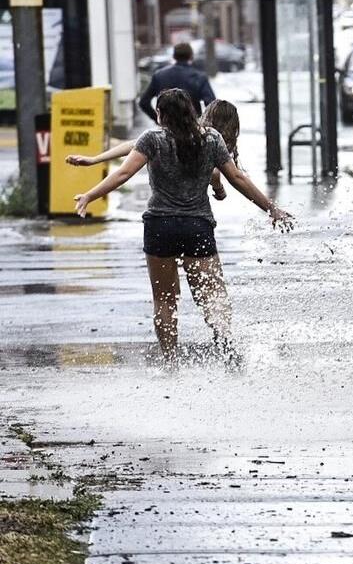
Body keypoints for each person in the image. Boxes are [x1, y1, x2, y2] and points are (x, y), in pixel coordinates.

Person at [71, 88, 293, 367]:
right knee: (212, 293)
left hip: (159, 227)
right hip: (196, 227)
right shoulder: (211, 139)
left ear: (160, 115)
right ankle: (224, 341)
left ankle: (171, 361)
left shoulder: (152, 139)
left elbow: (124, 173)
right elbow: (237, 177)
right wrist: (271, 209)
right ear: (191, 111)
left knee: (165, 300)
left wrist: (90, 195)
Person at [68, 99, 243, 202]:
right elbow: (216, 174)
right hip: (193, 215)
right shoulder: (212, 139)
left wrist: (95, 159)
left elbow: (133, 145)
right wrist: (219, 189)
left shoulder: (187, 133)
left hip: (162, 213)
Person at [138, 43, 216, 122]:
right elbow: (212, 105)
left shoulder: (159, 75)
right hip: (192, 125)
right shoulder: (199, 77)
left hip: (167, 125)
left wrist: (157, 119)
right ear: (191, 56)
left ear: (174, 56)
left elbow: (144, 102)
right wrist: (203, 122)